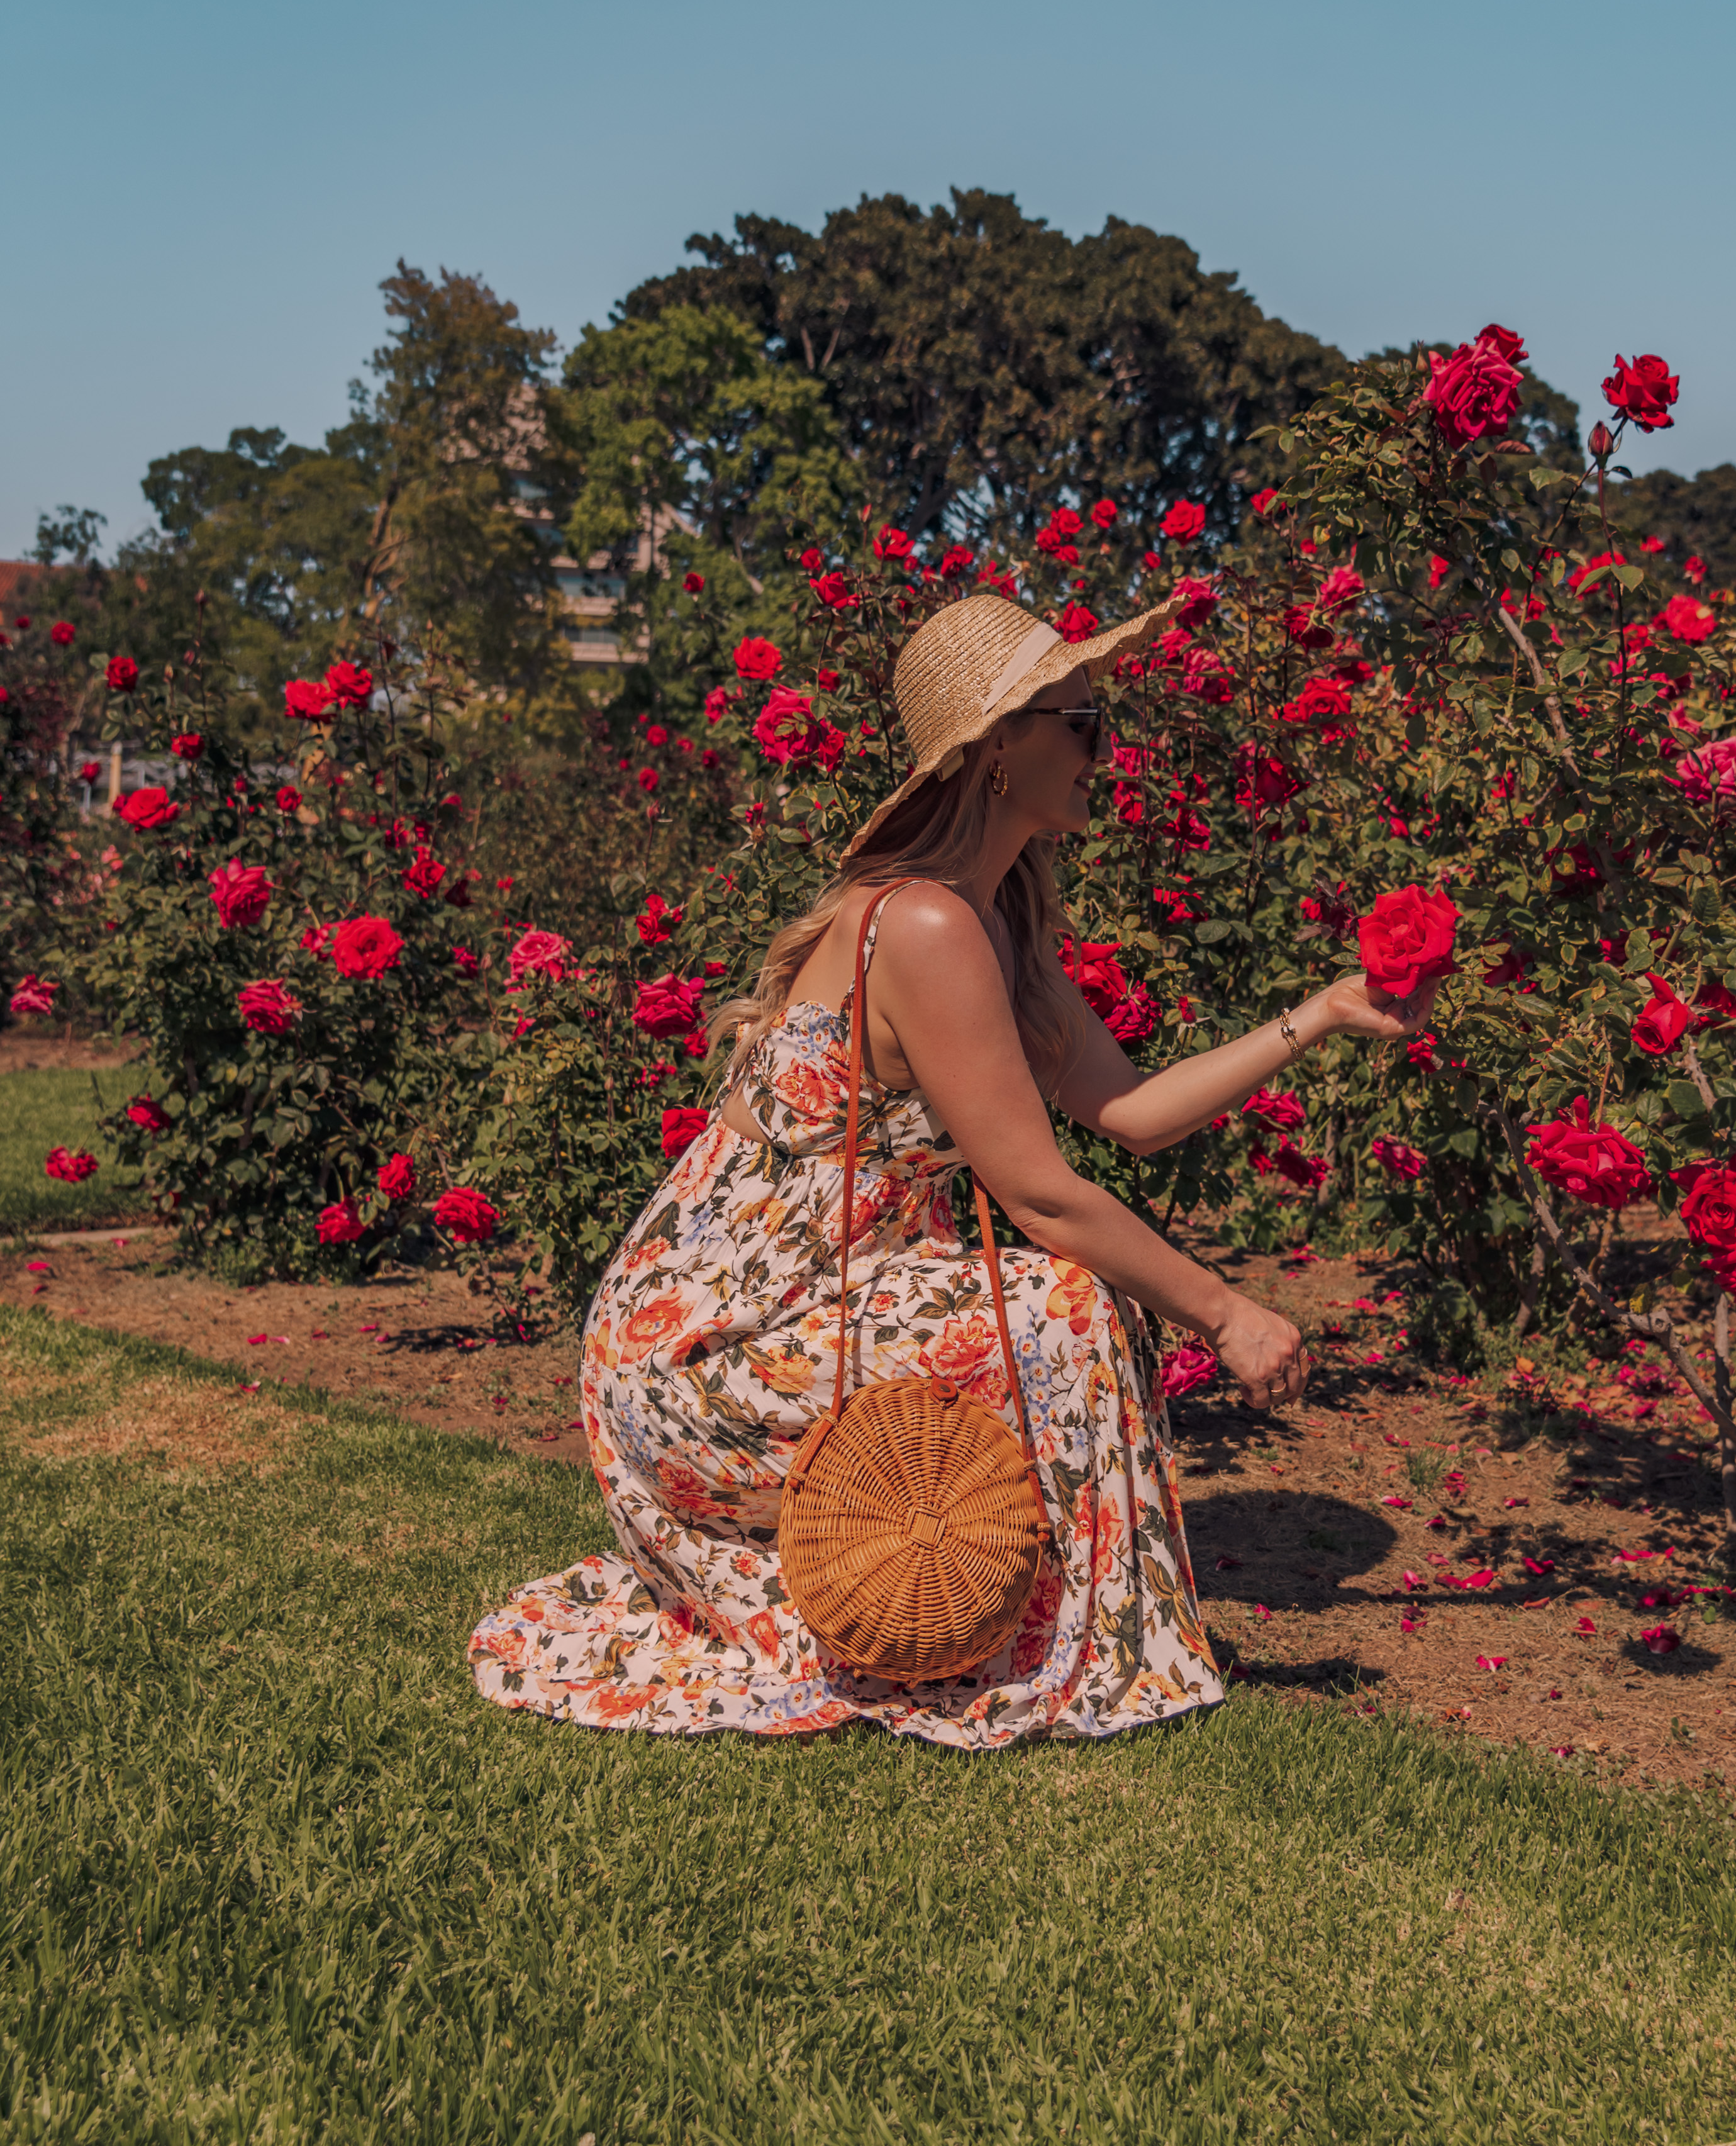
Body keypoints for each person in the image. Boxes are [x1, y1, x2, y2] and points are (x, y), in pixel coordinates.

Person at [468, 587, 1438, 1748]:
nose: (1104, 751)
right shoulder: (924, 925)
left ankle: (1025, 1629)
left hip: (800, 1303)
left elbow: (1130, 1111)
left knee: (1061, 1300)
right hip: (701, 1349)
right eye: (1081, 723)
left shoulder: (990, 919)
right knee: (1064, 1300)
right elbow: (1038, 1192)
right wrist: (1225, 1314)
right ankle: (1054, 1651)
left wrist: (1323, 1012)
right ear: (993, 751)